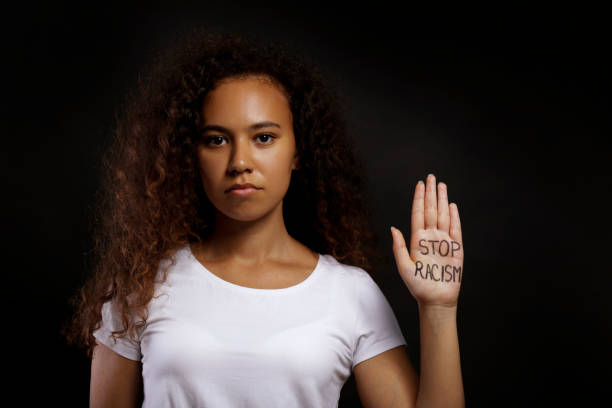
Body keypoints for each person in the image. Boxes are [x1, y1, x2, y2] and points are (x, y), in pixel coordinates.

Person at [62, 28, 465, 407]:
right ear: (190, 154)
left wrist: (439, 310)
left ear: (298, 152)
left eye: (264, 138)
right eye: (216, 140)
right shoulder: (142, 283)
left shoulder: (349, 294)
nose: (240, 162)